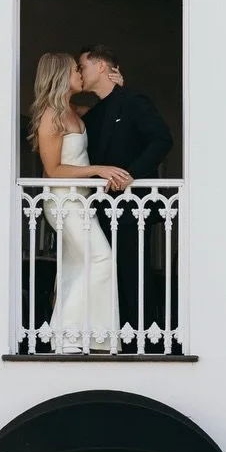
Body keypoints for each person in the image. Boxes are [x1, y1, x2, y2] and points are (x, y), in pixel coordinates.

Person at [29, 52, 131, 351]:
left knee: (77, 266)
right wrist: (98, 170)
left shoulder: (74, 111)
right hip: (64, 202)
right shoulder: (51, 115)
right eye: (76, 69)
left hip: (81, 201)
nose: (80, 74)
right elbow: (53, 170)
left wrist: (118, 89)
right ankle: (68, 335)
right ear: (61, 75)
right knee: (101, 258)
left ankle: (90, 338)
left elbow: (108, 113)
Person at [77, 45, 174, 346]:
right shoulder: (94, 114)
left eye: (82, 66)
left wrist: (130, 175)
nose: (80, 72)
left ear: (101, 66)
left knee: (134, 275)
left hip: (133, 209)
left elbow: (162, 140)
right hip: (102, 208)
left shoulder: (132, 101)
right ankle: (115, 339)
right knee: (108, 275)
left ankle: (144, 342)